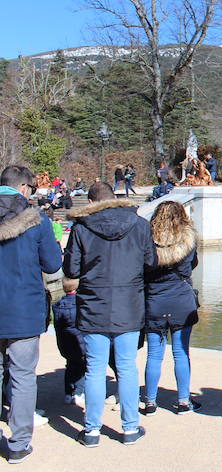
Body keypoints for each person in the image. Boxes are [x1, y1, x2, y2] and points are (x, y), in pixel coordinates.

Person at [63, 182, 156, 447]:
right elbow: (151, 262)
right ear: (114, 198)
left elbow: (71, 268)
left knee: (94, 369)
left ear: (92, 202)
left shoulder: (82, 228)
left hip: (94, 304)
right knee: (126, 368)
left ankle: (91, 431)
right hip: (129, 304)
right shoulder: (138, 224)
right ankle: (129, 428)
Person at [0, 165, 62, 463]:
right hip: (23, 309)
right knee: (23, 375)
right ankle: (18, 443)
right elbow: (52, 265)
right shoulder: (37, 221)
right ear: (24, 188)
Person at [142, 201, 200, 416]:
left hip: (154, 300)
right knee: (181, 353)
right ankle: (184, 401)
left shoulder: (147, 241)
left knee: (154, 355)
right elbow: (193, 264)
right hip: (181, 301)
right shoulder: (188, 239)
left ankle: (150, 402)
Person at [52, 278, 86, 407]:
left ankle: (68, 393)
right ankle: (78, 393)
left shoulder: (58, 305)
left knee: (70, 367)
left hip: (65, 344)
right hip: (79, 343)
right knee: (82, 368)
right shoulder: (80, 304)